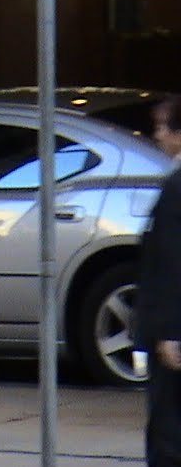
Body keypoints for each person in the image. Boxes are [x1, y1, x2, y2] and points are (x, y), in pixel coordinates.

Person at [136, 95, 181, 466]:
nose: (157, 136)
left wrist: (169, 331)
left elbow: (171, 262)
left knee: (168, 428)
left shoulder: (176, 190)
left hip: (174, 330)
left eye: (161, 128)